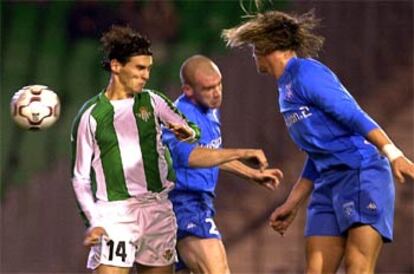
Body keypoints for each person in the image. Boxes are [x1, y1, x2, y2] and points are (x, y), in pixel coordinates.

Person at [222, 10, 414, 274]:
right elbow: (318, 152)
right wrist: (292, 203)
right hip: (326, 184)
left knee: (357, 268)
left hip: (360, 173)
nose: (253, 53)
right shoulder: (285, 87)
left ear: (265, 46)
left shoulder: (307, 73)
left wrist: (393, 154)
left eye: (254, 47)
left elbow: (353, 115)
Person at [71, 25, 273, 274]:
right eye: (140, 68)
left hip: (157, 210)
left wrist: (188, 132)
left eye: (149, 69)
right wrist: (93, 220)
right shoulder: (91, 115)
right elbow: (80, 178)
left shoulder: (155, 102)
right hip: (117, 213)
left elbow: (192, 133)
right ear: (116, 66)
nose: (146, 75)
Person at [162, 55, 284, 274]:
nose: (217, 92)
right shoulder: (180, 117)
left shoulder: (209, 108)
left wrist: (252, 174)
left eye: (219, 84)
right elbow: (190, 157)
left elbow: (212, 155)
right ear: (188, 90)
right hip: (185, 204)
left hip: (198, 203)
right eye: (208, 88)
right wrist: (243, 152)